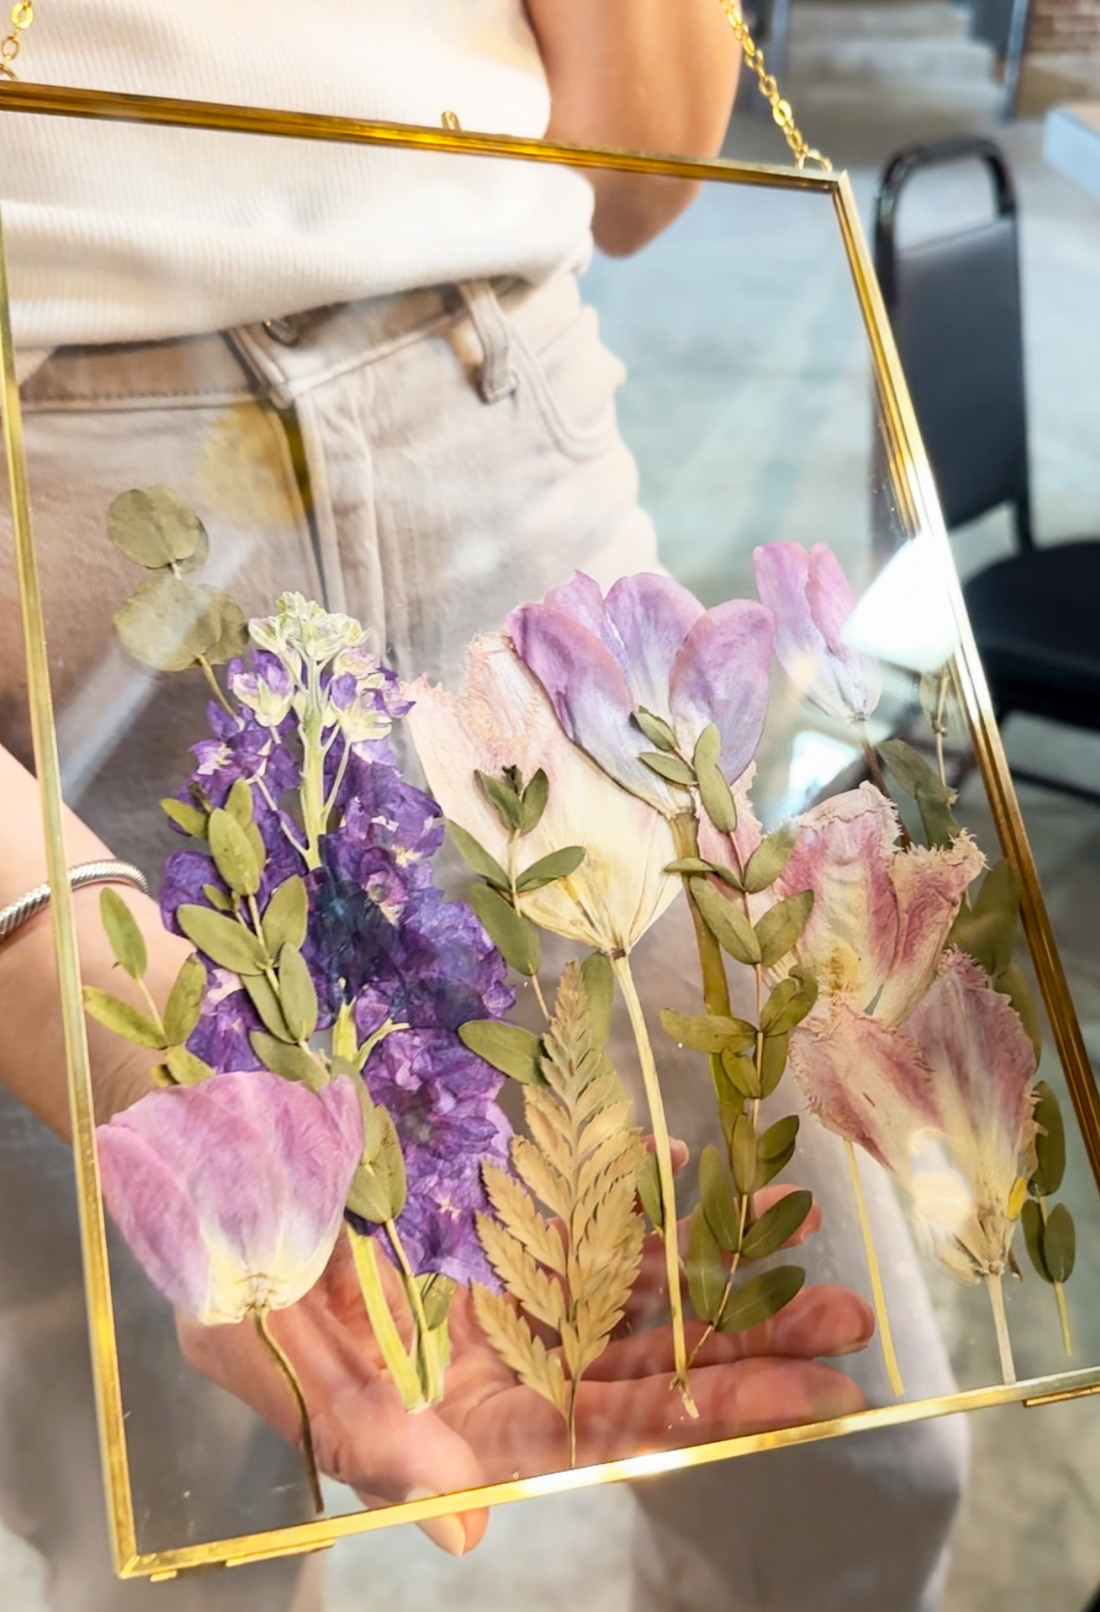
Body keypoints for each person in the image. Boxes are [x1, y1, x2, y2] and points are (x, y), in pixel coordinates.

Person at [0, 3, 965, 1610]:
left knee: (848, 1445)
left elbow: (642, 167)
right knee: (184, 1529)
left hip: (497, 412)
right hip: (59, 537)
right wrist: (66, 991)